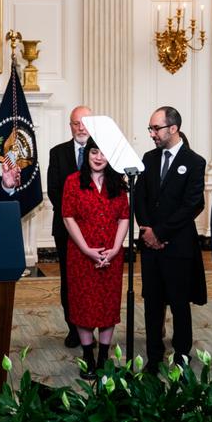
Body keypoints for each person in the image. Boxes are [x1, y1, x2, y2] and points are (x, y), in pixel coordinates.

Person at [134, 106, 206, 374]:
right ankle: (154, 357)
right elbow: (139, 197)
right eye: (150, 128)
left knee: (179, 304)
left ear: (173, 128)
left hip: (177, 246)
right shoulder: (148, 158)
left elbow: (191, 205)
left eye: (156, 128)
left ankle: (181, 357)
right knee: (152, 304)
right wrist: (146, 230)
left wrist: (160, 233)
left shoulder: (195, 161)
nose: (152, 133)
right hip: (151, 247)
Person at [62, 138, 130, 379]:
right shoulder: (73, 182)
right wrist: (87, 249)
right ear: (87, 154)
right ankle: (88, 356)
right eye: (94, 152)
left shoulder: (120, 184)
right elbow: (68, 217)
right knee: (84, 304)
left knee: (107, 305)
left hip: (112, 255)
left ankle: (103, 357)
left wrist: (114, 247)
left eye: (103, 153)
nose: (98, 157)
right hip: (81, 256)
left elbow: (124, 217)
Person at [47, 105, 92, 348]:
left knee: (93, 282)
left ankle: (93, 325)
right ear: (70, 126)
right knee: (70, 280)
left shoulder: (103, 152)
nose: (81, 127)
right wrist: (75, 220)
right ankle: (73, 329)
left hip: (98, 230)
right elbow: (54, 191)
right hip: (65, 229)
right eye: (76, 123)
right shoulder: (58, 153)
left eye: (85, 122)